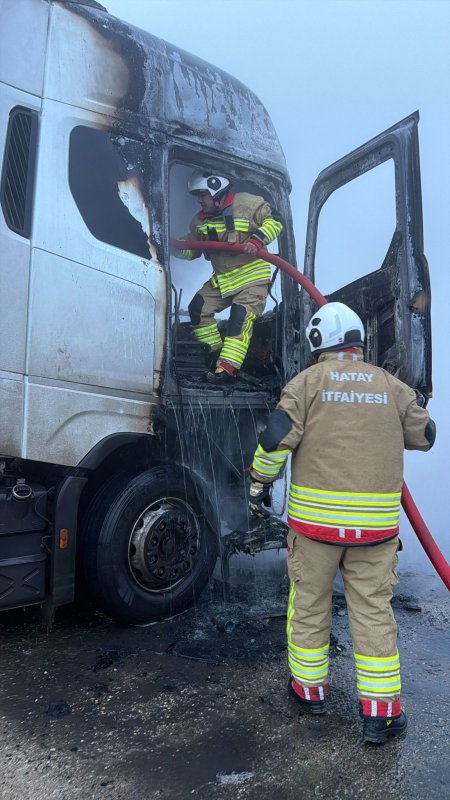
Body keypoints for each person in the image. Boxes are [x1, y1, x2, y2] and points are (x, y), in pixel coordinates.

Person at [248, 302, 436, 744]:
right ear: (357, 340)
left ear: (317, 341)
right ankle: (382, 713)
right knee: (372, 612)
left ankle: (309, 691)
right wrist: (413, 403)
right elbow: (425, 438)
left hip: (315, 532)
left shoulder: (306, 383)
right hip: (375, 534)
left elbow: (275, 441)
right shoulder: (391, 386)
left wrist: (258, 482)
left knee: (309, 605)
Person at [176, 170, 283, 385]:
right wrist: (172, 247)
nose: (199, 200)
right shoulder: (199, 221)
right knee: (197, 310)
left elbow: (276, 221)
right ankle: (216, 356)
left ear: (216, 192)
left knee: (239, 319)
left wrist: (257, 241)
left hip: (252, 280)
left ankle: (227, 370)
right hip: (224, 280)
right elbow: (193, 248)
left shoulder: (249, 204)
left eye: (202, 195)